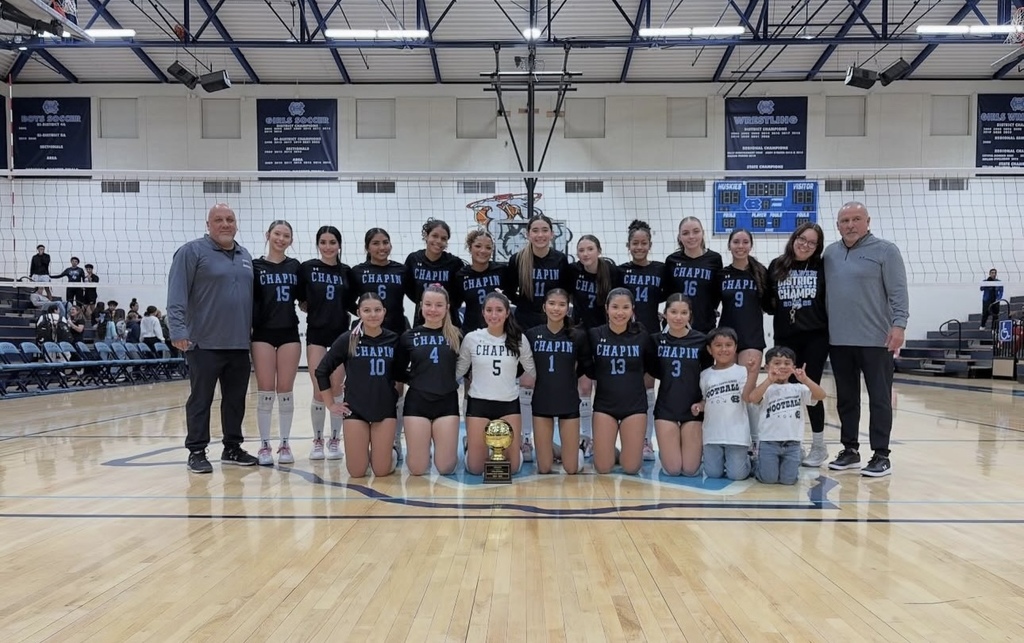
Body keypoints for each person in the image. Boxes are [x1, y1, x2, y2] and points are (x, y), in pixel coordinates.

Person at [167, 203, 259, 473]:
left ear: (236, 224)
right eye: (218, 219)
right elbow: (177, 293)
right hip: (203, 342)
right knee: (201, 399)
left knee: (236, 399)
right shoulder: (191, 251)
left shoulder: (245, 255)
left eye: (230, 219)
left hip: (239, 343)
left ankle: (232, 447)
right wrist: (178, 330)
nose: (225, 224)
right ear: (208, 225)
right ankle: (196, 450)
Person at [823, 202, 909, 477]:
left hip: (877, 340)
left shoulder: (886, 251)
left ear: (867, 221)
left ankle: (881, 454)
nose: (850, 225)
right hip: (839, 340)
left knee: (879, 398)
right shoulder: (830, 253)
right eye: (845, 220)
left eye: (856, 219)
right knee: (846, 399)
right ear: (838, 225)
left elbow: (898, 292)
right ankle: (850, 450)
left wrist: (899, 325)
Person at [506, 214, 573, 463]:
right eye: (536, 230)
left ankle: (554, 438)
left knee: (553, 380)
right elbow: (509, 290)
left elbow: (565, 292)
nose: (540, 234)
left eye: (545, 230)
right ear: (528, 233)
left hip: (554, 324)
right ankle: (525, 439)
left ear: (552, 234)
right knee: (526, 380)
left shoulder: (561, 260)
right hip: (525, 323)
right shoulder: (518, 260)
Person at [316, 293, 401, 478]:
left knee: (381, 471)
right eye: (367, 310)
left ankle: (390, 451)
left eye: (377, 310)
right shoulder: (348, 339)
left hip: (384, 410)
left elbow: (402, 373)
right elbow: (321, 370)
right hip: (356, 410)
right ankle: (374, 452)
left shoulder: (394, 340)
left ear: (384, 312)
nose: (373, 315)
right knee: (357, 472)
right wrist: (331, 404)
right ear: (358, 312)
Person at [766, 223, 829, 467]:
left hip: (815, 337)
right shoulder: (777, 265)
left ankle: (819, 445)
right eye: (802, 239)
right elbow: (769, 302)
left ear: (817, 247)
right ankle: (792, 443)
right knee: (786, 390)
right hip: (785, 337)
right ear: (794, 238)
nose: (805, 245)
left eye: (812, 242)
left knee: (810, 388)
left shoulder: (822, 267)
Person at [456, 291, 536, 476]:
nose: (494, 315)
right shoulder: (472, 339)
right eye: (489, 310)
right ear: (483, 313)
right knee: (476, 469)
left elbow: (532, 370)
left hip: (508, 405)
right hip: (479, 404)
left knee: (513, 468)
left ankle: (507, 450)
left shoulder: (518, 339)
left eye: (499, 310)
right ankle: (472, 445)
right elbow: (459, 371)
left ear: (507, 313)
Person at [349, 227, 410, 462]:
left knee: (396, 386)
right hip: (366, 336)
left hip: (395, 334)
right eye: (376, 243)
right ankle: (363, 436)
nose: (382, 247)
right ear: (367, 247)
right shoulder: (357, 272)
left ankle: (394, 440)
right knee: (368, 383)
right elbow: (348, 300)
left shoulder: (401, 270)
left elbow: (416, 294)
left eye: (386, 242)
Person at [296, 225, 354, 461]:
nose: (328, 246)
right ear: (318, 244)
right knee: (320, 390)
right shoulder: (307, 268)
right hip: (316, 334)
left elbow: (352, 303)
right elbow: (301, 300)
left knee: (338, 388)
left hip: (340, 335)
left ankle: (334, 441)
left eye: (332, 242)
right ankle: (318, 439)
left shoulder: (347, 272)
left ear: (339, 245)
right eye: (323, 242)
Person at [392, 284, 462, 476]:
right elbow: (397, 371)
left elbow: (467, 368)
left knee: (446, 468)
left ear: (447, 308)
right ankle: (408, 452)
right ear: (421, 306)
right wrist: (415, 379)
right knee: (417, 469)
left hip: (446, 403)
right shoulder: (409, 337)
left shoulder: (457, 335)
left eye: (439, 305)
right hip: (417, 403)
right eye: (428, 304)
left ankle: (444, 450)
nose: (433, 310)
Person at [586, 288, 655, 475]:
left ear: (632, 309)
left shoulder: (642, 336)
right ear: (607, 308)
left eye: (625, 307)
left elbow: (651, 367)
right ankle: (608, 450)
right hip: (604, 406)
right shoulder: (594, 335)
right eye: (615, 307)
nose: (619, 312)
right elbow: (589, 369)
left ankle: (622, 451)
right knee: (603, 468)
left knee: (631, 468)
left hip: (634, 407)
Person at [251, 220, 302, 467]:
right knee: (265, 390)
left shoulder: (295, 267)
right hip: (261, 333)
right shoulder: (254, 266)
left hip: (289, 333)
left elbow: (305, 300)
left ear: (291, 240)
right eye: (277, 234)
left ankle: (284, 443)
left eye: (286, 236)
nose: (281, 239)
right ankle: (264, 444)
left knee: (285, 389)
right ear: (268, 235)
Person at [526, 288, 591, 475]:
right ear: (544, 307)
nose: (556, 308)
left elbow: (584, 368)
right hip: (542, 403)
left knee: (571, 469)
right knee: (544, 468)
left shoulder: (577, 335)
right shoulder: (532, 335)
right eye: (552, 304)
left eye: (562, 304)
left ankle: (574, 448)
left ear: (568, 308)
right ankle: (553, 449)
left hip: (568, 402)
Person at [619, 219, 666, 464]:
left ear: (650, 244)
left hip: (651, 336)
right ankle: (627, 438)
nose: (639, 247)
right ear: (628, 245)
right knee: (628, 387)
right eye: (635, 243)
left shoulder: (660, 269)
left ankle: (646, 441)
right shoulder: (620, 271)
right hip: (625, 337)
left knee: (648, 389)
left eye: (643, 243)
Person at [746, 347, 827, 485]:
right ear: (767, 367)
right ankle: (755, 463)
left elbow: (821, 395)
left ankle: (794, 459)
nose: (782, 367)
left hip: (793, 444)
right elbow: (752, 398)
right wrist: (768, 380)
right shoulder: (766, 388)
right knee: (768, 479)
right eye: (777, 363)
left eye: (787, 363)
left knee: (789, 481)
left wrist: (805, 380)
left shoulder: (798, 388)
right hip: (769, 443)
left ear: (794, 367)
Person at [718, 228, 769, 442]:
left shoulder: (760, 272)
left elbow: (769, 304)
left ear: (750, 245)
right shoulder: (721, 274)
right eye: (736, 242)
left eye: (745, 242)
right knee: (729, 392)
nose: (740, 246)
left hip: (751, 338)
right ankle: (731, 438)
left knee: (748, 393)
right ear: (729, 245)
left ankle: (755, 441)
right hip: (726, 340)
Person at [646, 294, 705, 476]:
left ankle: (689, 450)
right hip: (666, 409)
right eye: (673, 312)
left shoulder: (702, 341)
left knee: (689, 470)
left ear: (690, 315)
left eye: (683, 312)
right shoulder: (654, 341)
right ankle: (671, 451)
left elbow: (710, 375)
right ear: (665, 314)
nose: (678, 317)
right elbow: (653, 371)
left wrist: (703, 403)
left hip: (692, 409)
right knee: (672, 470)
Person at [696, 327, 752, 481]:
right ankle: (730, 461)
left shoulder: (742, 372)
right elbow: (705, 399)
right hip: (712, 435)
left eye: (728, 345)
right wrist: (699, 406)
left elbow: (749, 397)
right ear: (709, 349)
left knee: (736, 475)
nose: (723, 349)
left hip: (736, 435)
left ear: (735, 348)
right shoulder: (705, 374)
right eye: (718, 345)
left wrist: (753, 374)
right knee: (713, 473)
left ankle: (748, 460)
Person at [664, 217, 722, 334]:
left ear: (703, 233)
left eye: (696, 231)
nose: (691, 236)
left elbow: (717, 292)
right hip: (676, 326)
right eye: (685, 233)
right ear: (679, 237)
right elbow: (667, 292)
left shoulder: (714, 259)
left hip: (704, 325)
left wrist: (710, 309)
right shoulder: (671, 260)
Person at [403, 219, 465, 327]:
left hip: (449, 323)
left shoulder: (454, 263)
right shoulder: (413, 260)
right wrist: (423, 302)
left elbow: (459, 295)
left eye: (443, 238)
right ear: (426, 236)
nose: (439, 241)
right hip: (422, 320)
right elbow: (409, 289)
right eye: (435, 236)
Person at [452, 229, 505, 337]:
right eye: (478, 246)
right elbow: (454, 305)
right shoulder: (461, 276)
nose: (483, 251)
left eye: (488, 248)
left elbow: (512, 296)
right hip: (471, 332)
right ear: (470, 247)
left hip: (498, 332)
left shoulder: (501, 271)